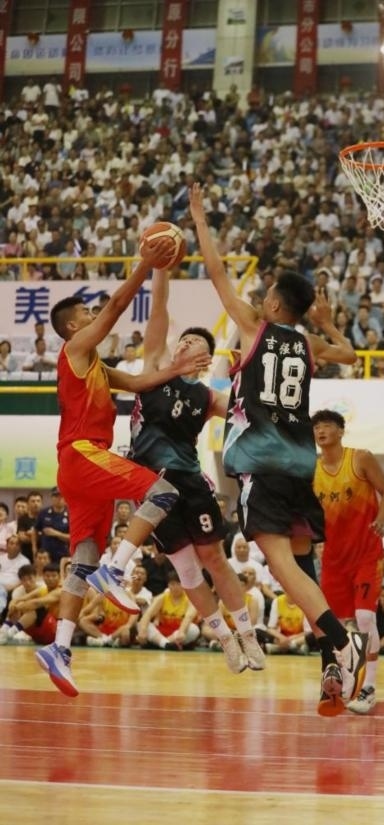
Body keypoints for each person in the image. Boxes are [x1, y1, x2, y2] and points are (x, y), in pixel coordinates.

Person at [189, 182, 366, 717]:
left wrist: (200, 219)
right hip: (299, 464)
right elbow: (351, 355)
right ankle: (330, 662)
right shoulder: (308, 344)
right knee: (303, 567)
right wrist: (326, 322)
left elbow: (216, 272)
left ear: (271, 304)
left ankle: (343, 642)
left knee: (281, 564)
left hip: (262, 464)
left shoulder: (254, 326)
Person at [35, 249, 212, 697]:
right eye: (86, 313)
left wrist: (176, 369)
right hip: (82, 454)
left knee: (84, 556)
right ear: (73, 327)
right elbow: (116, 306)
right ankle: (115, 571)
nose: (94, 315)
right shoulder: (75, 349)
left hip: (80, 466)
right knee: (163, 491)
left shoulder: (96, 365)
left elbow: (135, 384)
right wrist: (147, 264)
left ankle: (59, 648)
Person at [126, 267, 266, 673]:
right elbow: (159, 307)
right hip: (150, 485)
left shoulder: (206, 396)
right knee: (186, 568)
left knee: (214, 559)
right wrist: (160, 266)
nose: (184, 343)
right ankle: (224, 638)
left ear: (204, 360)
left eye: (194, 342)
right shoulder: (154, 366)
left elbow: (249, 414)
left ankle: (247, 634)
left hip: (189, 481)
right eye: (183, 339)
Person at [312, 409, 384, 715]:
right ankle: (348, 680)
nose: (321, 431)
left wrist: (381, 519)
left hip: (366, 553)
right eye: (317, 427)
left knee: (365, 618)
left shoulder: (360, 458)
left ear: (340, 431)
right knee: (335, 625)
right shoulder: (312, 469)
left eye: (327, 426)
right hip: (334, 559)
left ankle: (369, 687)